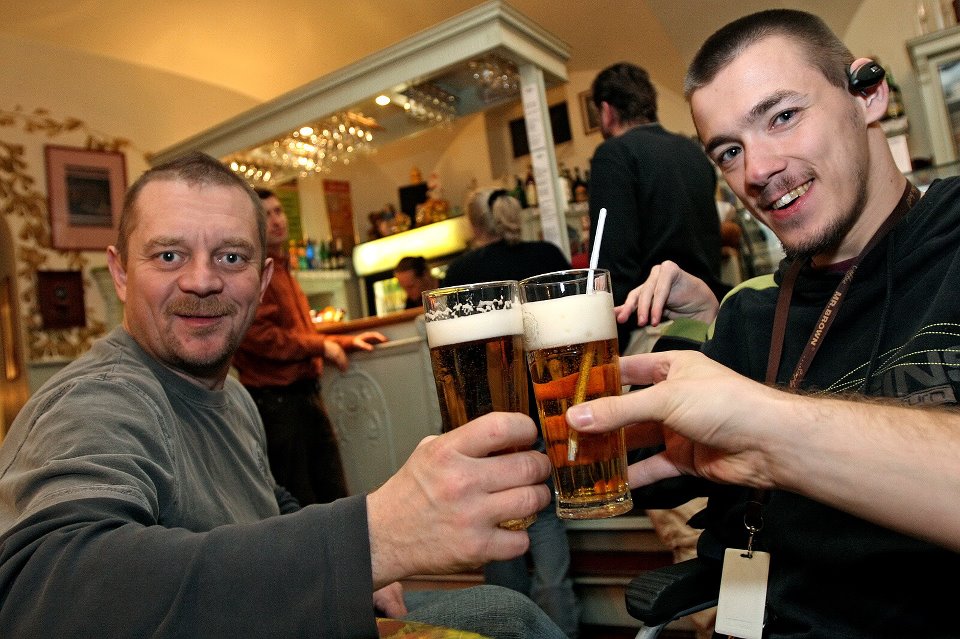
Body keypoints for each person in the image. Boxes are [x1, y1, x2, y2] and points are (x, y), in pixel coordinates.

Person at [0, 151, 563, 638]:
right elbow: (47, 598)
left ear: (263, 280)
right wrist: (368, 541)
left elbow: (269, 505)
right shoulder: (99, 400)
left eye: (231, 257)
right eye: (169, 255)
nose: (203, 280)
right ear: (121, 273)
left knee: (502, 612)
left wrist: (357, 573)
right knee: (505, 616)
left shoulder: (232, 394)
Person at [570, 10, 960, 637]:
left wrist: (767, 433)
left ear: (867, 93)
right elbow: (650, 473)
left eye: (782, 116)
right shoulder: (750, 319)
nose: (756, 171)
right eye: (730, 151)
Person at [444, 188, 580, 638]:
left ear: (473, 224)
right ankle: (560, 630)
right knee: (545, 518)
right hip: (544, 408)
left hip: (484, 423)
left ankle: (507, 630)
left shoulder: (460, 274)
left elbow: (458, 370)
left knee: (498, 521)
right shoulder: (546, 255)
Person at [233, 189, 386, 505]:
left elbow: (299, 333)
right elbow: (260, 337)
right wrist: (322, 346)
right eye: (266, 215)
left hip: (302, 399)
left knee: (331, 497)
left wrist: (343, 342)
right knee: (303, 504)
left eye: (278, 211)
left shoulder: (281, 268)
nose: (276, 220)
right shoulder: (251, 273)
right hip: (279, 406)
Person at [588, 61, 728, 355]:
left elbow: (612, 265)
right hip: (712, 320)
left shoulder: (614, 154)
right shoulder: (693, 151)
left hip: (654, 330)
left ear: (607, 111)